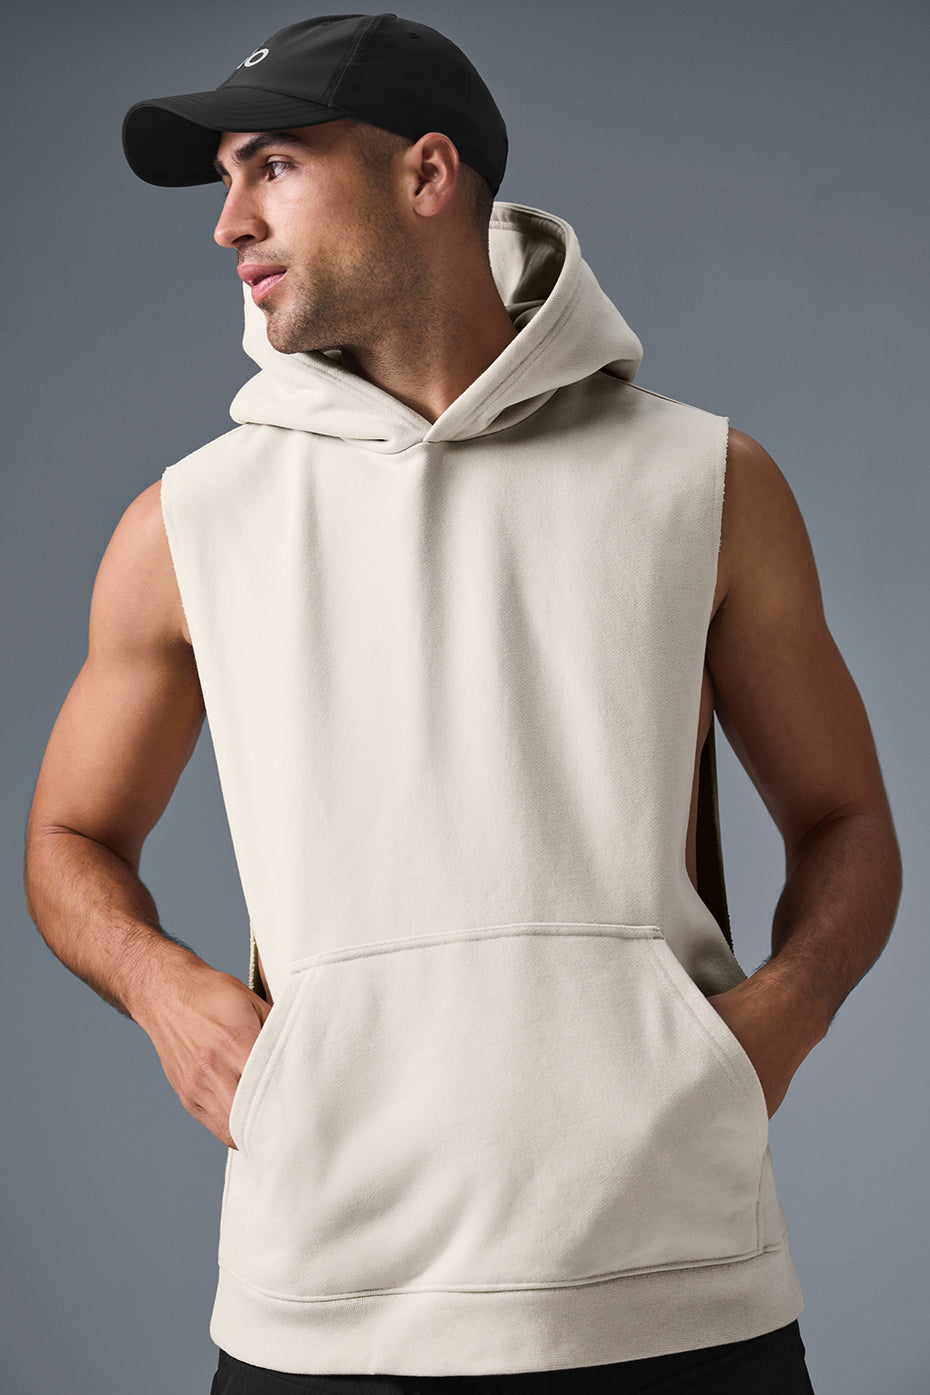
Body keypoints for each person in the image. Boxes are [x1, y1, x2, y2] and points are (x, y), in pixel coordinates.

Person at [24, 13, 901, 1394]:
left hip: (675, 1290)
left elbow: (846, 820)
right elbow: (67, 839)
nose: (229, 222)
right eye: (225, 180)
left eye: (271, 166)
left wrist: (772, 1029)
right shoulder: (186, 525)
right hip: (325, 1302)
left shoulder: (706, 484)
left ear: (426, 174)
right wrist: (165, 993)